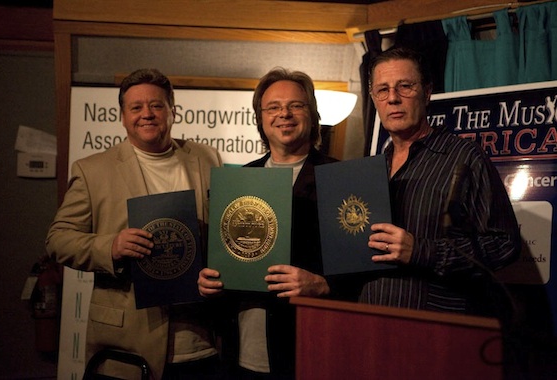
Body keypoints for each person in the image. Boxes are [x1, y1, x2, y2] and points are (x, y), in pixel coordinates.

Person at [46, 68, 223, 379]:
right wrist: (110, 246)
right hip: (127, 347)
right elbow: (58, 240)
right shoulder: (93, 170)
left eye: (156, 105)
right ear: (123, 116)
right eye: (136, 107)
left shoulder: (207, 158)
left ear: (173, 111)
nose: (147, 114)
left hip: (200, 340)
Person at [198, 68, 344, 379]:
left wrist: (323, 284)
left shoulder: (341, 178)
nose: (285, 114)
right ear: (261, 119)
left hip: (310, 346)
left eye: (296, 105)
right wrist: (209, 280)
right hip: (241, 348)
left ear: (312, 113)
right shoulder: (239, 181)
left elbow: (367, 272)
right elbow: (224, 256)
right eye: (273, 107)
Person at [361, 47, 521, 316]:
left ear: (427, 92)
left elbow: (504, 244)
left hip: (435, 328)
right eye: (382, 90)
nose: (393, 98)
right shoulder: (371, 167)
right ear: (374, 99)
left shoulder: (465, 158)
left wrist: (421, 251)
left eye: (405, 87)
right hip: (369, 319)